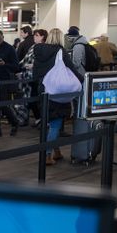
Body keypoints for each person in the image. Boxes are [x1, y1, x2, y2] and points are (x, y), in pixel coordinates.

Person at [33, 28, 83, 165]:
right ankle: (47, 155)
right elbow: (72, 68)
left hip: (43, 89)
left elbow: (35, 73)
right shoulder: (61, 51)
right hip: (57, 91)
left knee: (49, 122)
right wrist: (83, 80)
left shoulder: (37, 50)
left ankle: (57, 151)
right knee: (56, 123)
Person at [0, 30, 20, 136]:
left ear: (3, 37)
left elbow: (16, 66)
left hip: (5, 81)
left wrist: (5, 64)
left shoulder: (10, 49)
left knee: (3, 105)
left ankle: (14, 122)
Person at [20, 29, 48, 126]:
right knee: (31, 99)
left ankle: (40, 119)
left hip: (37, 77)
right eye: (34, 35)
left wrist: (33, 65)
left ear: (43, 37)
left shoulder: (44, 47)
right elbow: (25, 60)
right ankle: (38, 119)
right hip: (29, 76)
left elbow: (44, 62)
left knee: (34, 99)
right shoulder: (33, 46)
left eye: (37, 35)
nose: (34, 37)